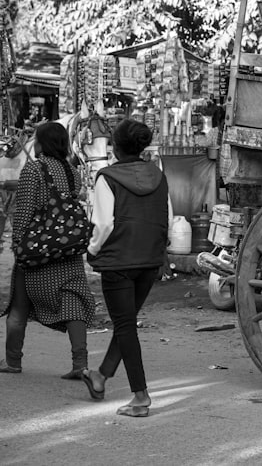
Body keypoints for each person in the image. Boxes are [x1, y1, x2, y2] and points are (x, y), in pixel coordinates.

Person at [81, 119, 171, 418]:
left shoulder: (107, 177)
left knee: (125, 326)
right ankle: (101, 376)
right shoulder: (158, 175)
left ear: (116, 148)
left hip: (118, 261)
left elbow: (105, 223)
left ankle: (141, 397)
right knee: (126, 323)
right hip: (149, 260)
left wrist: (91, 250)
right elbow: (167, 217)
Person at [0, 122, 96, 378]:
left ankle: (12, 361)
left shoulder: (34, 168)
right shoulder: (71, 171)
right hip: (68, 249)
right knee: (73, 301)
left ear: (41, 144)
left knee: (19, 305)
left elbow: (24, 210)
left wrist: (18, 243)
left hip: (36, 249)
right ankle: (80, 365)